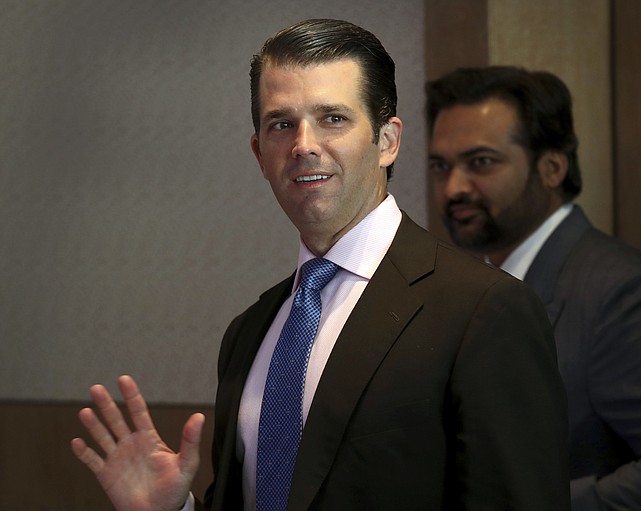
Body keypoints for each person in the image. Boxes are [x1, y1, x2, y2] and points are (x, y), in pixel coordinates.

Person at [71, 20, 571, 511]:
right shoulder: (250, 332)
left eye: (333, 118)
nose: (303, 144)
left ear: (387, 141)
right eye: (281, 124)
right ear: (260, 154)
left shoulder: (484, 311)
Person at [425, 66, 641, 510]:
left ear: (551, 168)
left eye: (481, 163)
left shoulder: (627, 293)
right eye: (441, 166)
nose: (454, 187)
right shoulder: (467, 290)